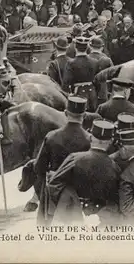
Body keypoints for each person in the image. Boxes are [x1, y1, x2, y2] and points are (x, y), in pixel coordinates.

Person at [47, 120, 121, 225]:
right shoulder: (115, 167)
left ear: (90, 138)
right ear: (110, 142)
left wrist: (67, 203)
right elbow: (115, 199)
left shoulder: (74, 158)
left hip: (70, 215)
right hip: (100, 219)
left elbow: (54, 184)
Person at [34, 96, 92, 225]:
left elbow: (39, 167)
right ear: (84, 115)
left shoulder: (52, 136)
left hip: (54, 191)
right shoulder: (89, 139)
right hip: (78, 192)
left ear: (66, 113)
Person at [63, 37, 99, 112]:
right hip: (92, 93)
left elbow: (66, 83)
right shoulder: (95, 62)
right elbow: (98, 81)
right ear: (87, 48)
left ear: (75, 48)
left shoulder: (71, 63)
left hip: (78, 94)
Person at [87, 36, 112, 106]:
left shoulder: (85, 58)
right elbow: (113, 76)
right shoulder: (107, 59)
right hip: (102, 93)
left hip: (88, 92)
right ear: (102, 47)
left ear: (90, 47)